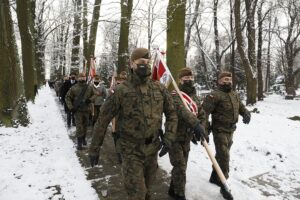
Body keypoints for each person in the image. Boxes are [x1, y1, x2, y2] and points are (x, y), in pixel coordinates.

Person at [88, 48, 178, 200]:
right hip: (130, 151)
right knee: (137, 195)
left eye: (147, 62)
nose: (145, 65)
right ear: (131, 64)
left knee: (147, 192)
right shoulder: (121, 91)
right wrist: (94, 148)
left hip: (152, 150)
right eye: (140, 62)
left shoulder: (159, 88)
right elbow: (103, 120)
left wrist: (169, 136)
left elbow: (172, 114)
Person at [202, 71, 251, 199]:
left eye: (229, 80)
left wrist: (246, 113)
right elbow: (204, 114)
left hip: (231, 131)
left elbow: (240, 106)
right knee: (224, 157)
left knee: (221, 156)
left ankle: (214, 177)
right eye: (224, 79)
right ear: (219, 81)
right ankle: (224, 186)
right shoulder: (214, 95)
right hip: (219, 130)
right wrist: (204, 131)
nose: (227, 82)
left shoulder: (234, 94)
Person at [165, 67, 207, 200]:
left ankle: (173, 189)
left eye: (191, 78)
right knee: (180, 167)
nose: (189, 80)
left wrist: (202, 127)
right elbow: (183, 112)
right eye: (186, 78)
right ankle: (179, 195)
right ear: (180, 80)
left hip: (187, 137)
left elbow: (201, 113)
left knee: (182, 167)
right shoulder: (174, 95)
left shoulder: (195, 96)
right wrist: (196, 124)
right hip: (174, 136)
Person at [65, 73, 94, 150]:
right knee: (79, 127)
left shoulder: (89, 87)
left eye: (83, 77)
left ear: (85, 78)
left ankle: (83, 138)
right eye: (80, 77)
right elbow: (67, 97)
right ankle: (79, 143)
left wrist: (90, 100)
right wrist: (71, 107)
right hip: (78, 111)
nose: (82, 78)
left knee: (85, 126)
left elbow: (95, 95)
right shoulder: (74, 88)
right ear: (78, 78)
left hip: (87, 110)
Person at [110, 71, 128, 164]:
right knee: (116, 135)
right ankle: (119, 154)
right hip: (116, 116)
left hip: (127, 117)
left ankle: (123, 152)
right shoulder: (114, 89)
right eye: (121, 79)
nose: (123, 80)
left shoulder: (129, 88)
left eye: (124, 79)